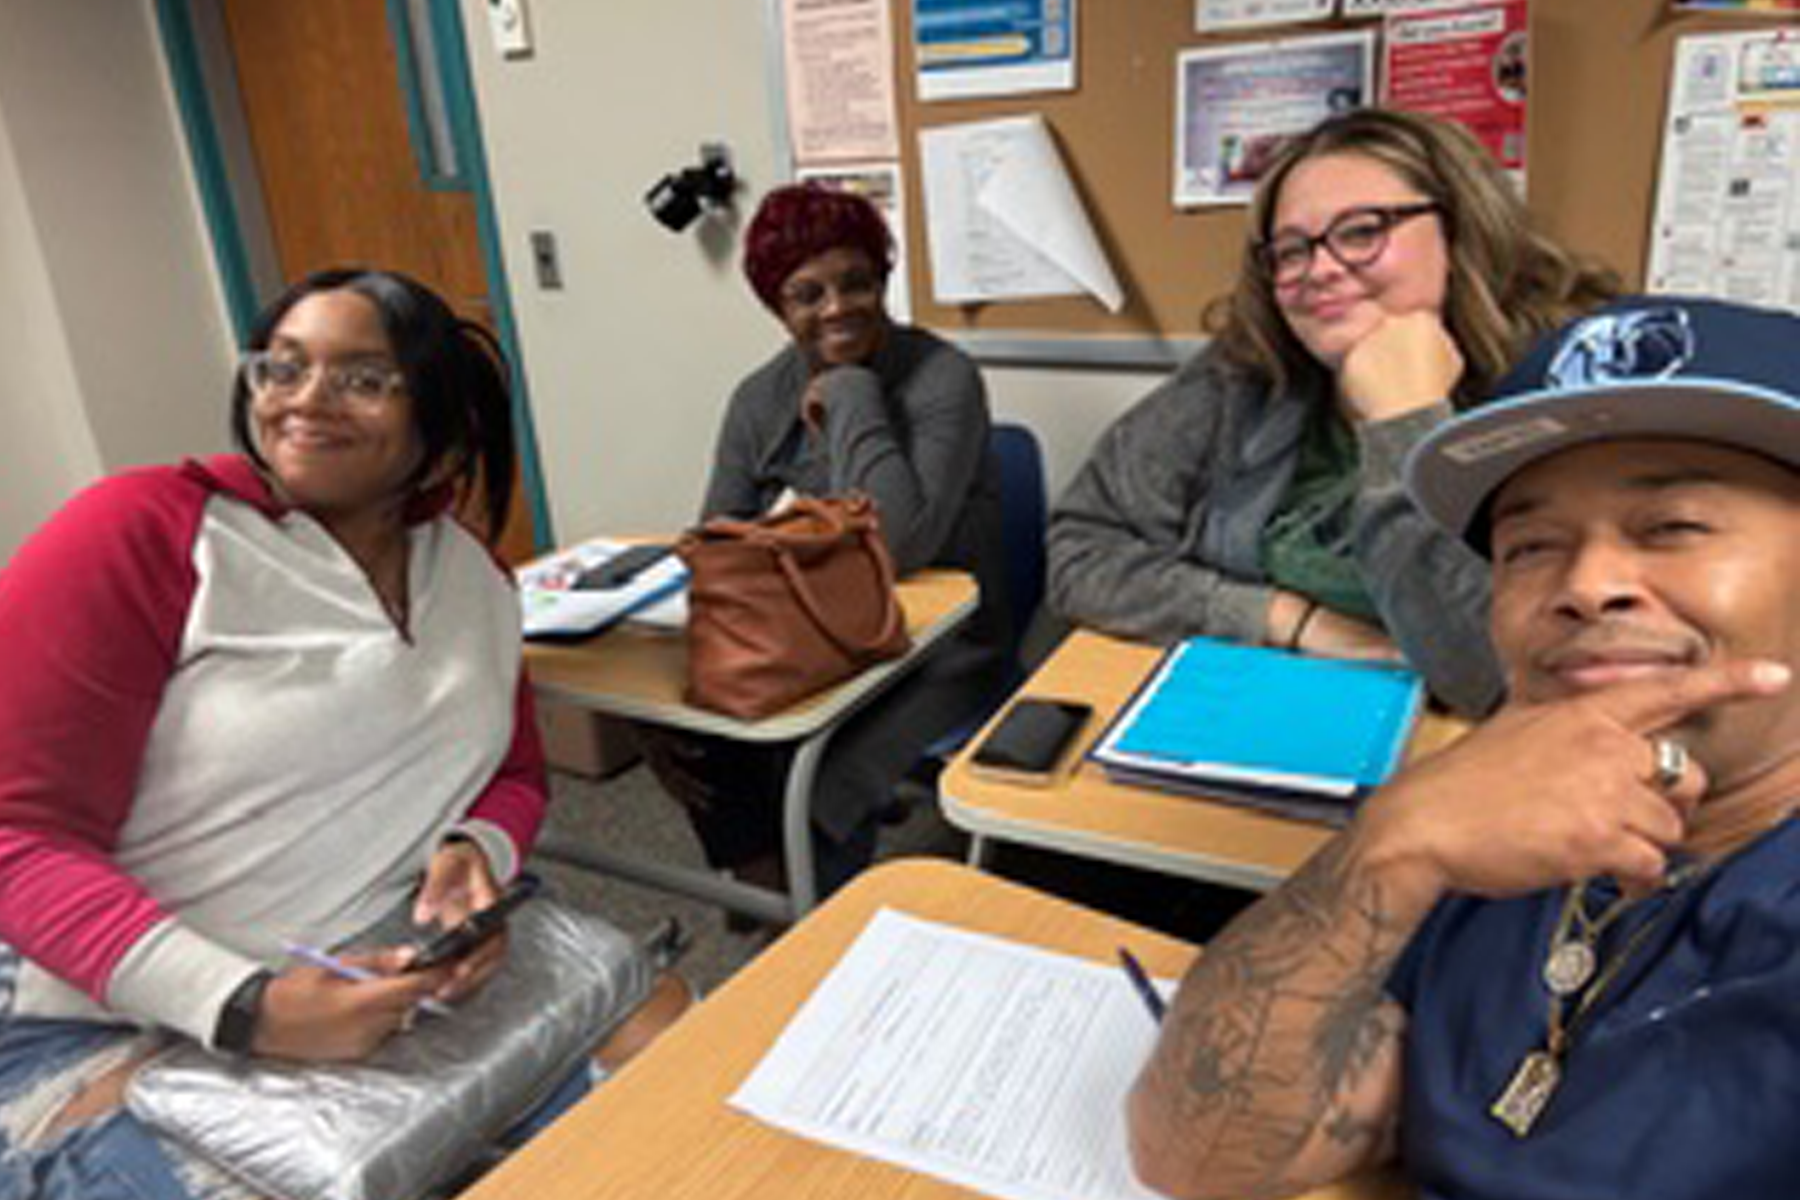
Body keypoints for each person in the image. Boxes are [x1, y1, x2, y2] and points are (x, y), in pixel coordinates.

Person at [0, 268, 676, 1199]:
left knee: (676, 1077)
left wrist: (471, 852)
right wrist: (247, 1009)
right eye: (282, 367)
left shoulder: (472, 577)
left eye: (362, 377)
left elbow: (513, 773)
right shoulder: (143, 532)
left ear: (441, 429)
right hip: (114, 1014)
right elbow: (15, 842)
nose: (304, 400)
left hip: (386, 968)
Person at [1126, 296, 1800, 1199]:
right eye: (1530, 546)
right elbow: (1200, 1155)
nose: (1586, 584)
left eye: (1672, 526)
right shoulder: (1505, 824)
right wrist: (1384, 850)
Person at [1047, 108, 1618, 716]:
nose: (1318, 270)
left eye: (1362, 230)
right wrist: (1289, 619)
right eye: (1290, 251)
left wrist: (1405, 423)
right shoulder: (1242, 374)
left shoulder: (1575, 385)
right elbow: (1081, 549)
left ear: (1460, 228)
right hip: (1270, 707)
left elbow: (1508, 675)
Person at [638, 182, 1009, 900]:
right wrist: (661, 703)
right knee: (705, 726)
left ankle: (809, 907)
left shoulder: (943, 378)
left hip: (941, 646)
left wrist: (848, 391)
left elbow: (901, 545)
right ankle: (778, 898)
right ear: (778, 308)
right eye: (808, 295)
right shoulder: (757, 400)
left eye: (856, 283)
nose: (837, 307)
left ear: (884, 281)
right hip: (817, 630)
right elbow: (713, 546)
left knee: (821, 768)